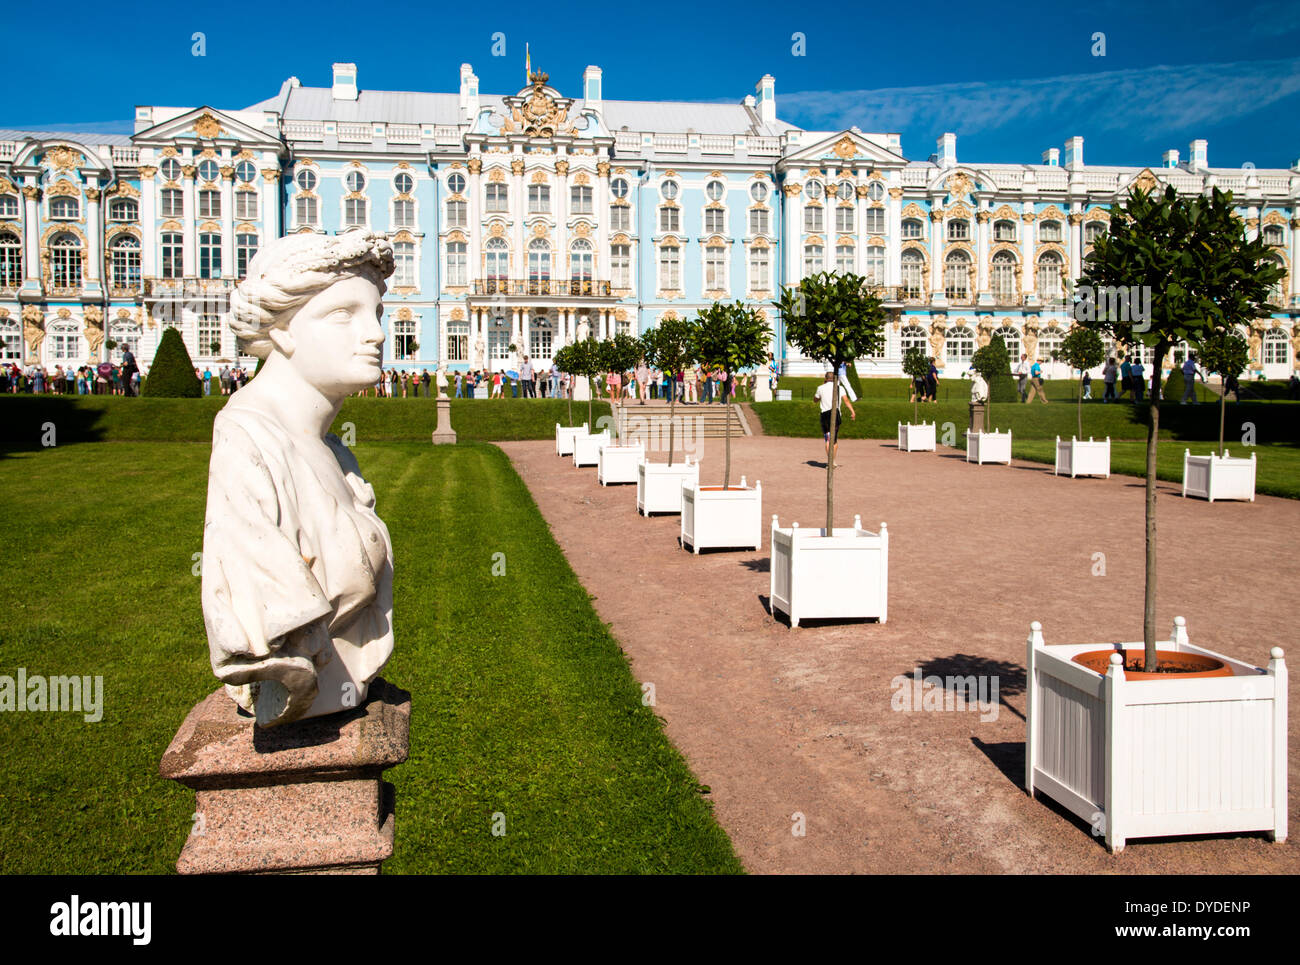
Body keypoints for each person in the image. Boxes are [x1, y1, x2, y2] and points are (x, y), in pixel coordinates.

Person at [210, 228, 396, 727]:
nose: (376, 334)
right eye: (343, 315)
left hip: (342, 685)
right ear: (282, 330)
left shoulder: (333, 451)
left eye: (376, 313)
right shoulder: (250, 442)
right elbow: (263, 611)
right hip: (304, 695)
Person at [814, 370, 856, 467]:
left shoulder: (820, 388)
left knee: (827, 439)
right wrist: (852, 411)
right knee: (834, 440)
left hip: (824, 415)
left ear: (825, 378)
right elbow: (846, 400)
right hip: (835, 414)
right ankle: (832, 461)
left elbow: (815, 400)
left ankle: (829, 461)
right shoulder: (839, 388)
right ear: (835, 378)